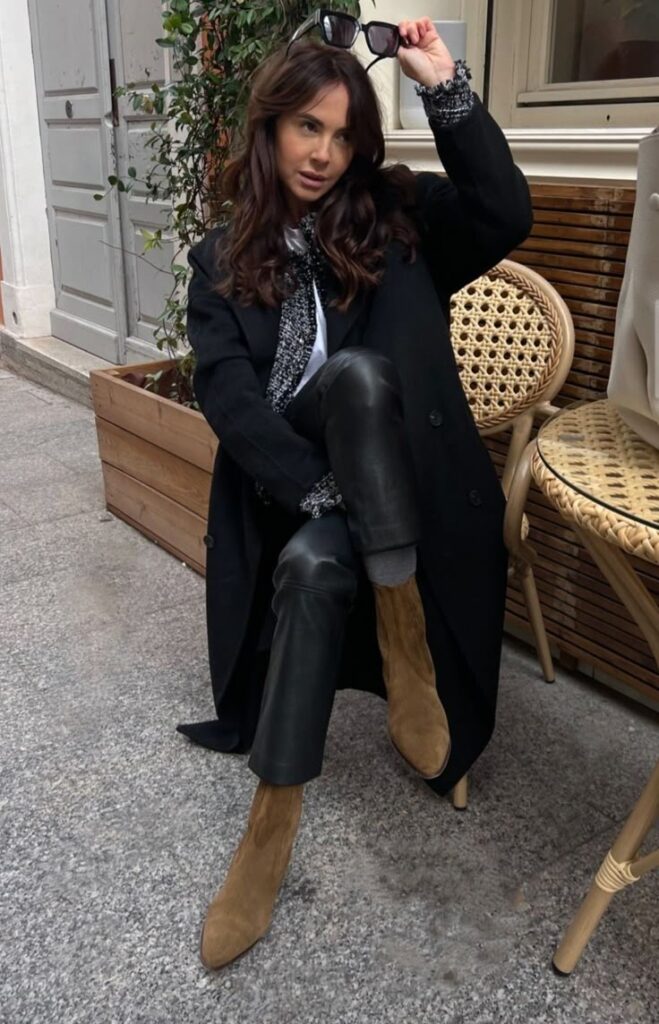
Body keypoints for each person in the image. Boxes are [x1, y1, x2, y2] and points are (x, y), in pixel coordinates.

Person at [177, 13, 533, 970]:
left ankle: (291, 797)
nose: (324, 155)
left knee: (363, 385)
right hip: (306, 488)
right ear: (271, 128)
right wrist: (318, 494)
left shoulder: (394, 219)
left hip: (403, 488)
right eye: (307, 129)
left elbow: (504, 212)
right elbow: (233, 404)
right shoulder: (219, 261)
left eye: (342, 136)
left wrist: (442, 83)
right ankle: (271, 827)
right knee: (314, 527)